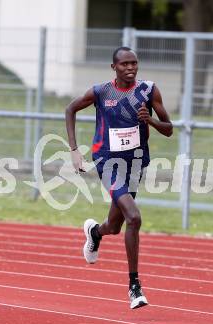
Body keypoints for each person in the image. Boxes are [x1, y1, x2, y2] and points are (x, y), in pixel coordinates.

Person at [65, 46, 173, 309]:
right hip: (107, 161)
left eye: (134, 63)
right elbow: (70, 110)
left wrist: (151, 122)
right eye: (124, 64)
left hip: (135, 163)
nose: (130, 68)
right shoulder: (101, 91)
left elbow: (169, 129)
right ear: (114, 67)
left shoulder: (148, 91)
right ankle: (134, 287)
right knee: (133, 217)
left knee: (115, 226)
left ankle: (95, 232)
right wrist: (74, 150)